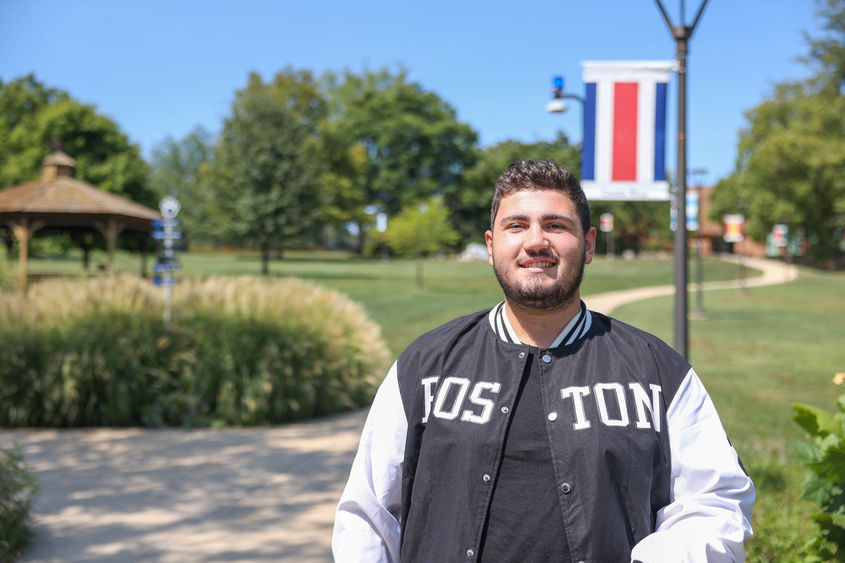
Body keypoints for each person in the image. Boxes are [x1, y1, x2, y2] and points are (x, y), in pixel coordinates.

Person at [332, 160, 755, 562]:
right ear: (492, 245)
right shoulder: (425, 366)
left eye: (555, 225)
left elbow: (717, 501)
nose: (536, 240)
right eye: (516, 225)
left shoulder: (656, 370)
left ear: (588, 245)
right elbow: (368, 515)